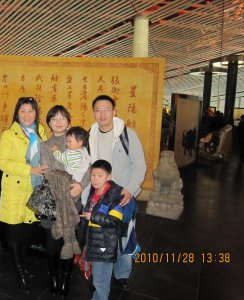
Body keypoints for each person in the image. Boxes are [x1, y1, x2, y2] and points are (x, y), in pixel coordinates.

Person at [88, 94, 146, 291]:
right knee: (100, 233)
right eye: (98, 110)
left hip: (122, 196)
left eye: (106, 109)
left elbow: (139, 166)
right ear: (94, 113)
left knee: (123, 235)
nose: (102, 114)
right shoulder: (91, 134)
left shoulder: (127, 135)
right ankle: (100, 273)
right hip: (100, 196)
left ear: (114, 111)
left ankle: (122, 273)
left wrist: (130, 190)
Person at [0, 96, 48, 294]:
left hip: (34, 189)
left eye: (31, 111)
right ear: (17, 114)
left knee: (28, 232)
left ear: (36, 112)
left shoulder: (41, 131)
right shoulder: (9, 135)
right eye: (23, 111)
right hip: (16, 189)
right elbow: (3, 162)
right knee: (15, 234)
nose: (27, 115)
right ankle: (19, 271)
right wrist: (30, 169)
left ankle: (22, 264)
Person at [40, 105, 90, 298]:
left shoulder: (78, 139)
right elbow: (48, 172)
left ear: (69, 121)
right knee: (52, 243)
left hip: (73, 200)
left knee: (69, 239)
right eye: (54, 118)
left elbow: (88, 167)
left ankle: (66, 277)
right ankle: (53, 276)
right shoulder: (45, 145)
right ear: (49, 123)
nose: (58, 121)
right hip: (52, 201)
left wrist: (80, 185)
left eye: (62, 118)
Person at [81, 159, 139, 300]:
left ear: (109, 176)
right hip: (96, 240)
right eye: (93, 175)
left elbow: (114, 221)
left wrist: (93, 217)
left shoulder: (117, 195)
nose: (95, 179)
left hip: (106, 243)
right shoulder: (93, 191)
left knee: (100, 279)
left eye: (99, 176)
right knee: (99, 276)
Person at [52, 126, 91, 205]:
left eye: (70, 141)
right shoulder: (84, 150)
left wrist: (55, 151)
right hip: (84, 182)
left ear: (80, 142)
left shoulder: (74, 153)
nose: (67, 144)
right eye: (67, 141)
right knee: (83, 200)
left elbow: (62, 158)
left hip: (75, 181)